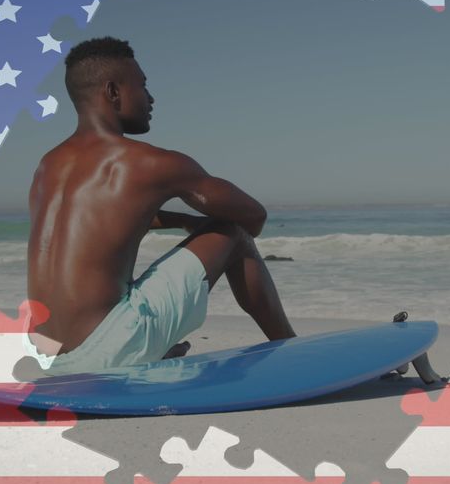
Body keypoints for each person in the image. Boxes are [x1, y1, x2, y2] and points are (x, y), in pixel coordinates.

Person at [21, 36, 297, 376]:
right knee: (233, 233)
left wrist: (181, 220)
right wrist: (200, 216)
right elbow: (254, 217)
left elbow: (101, 221)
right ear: (113, 92)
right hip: (105, 353)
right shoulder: (149, 163)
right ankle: (291, 351)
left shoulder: (47, 166)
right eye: (143, 85)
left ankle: (146, 350)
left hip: (46, 357)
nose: (150, 98)